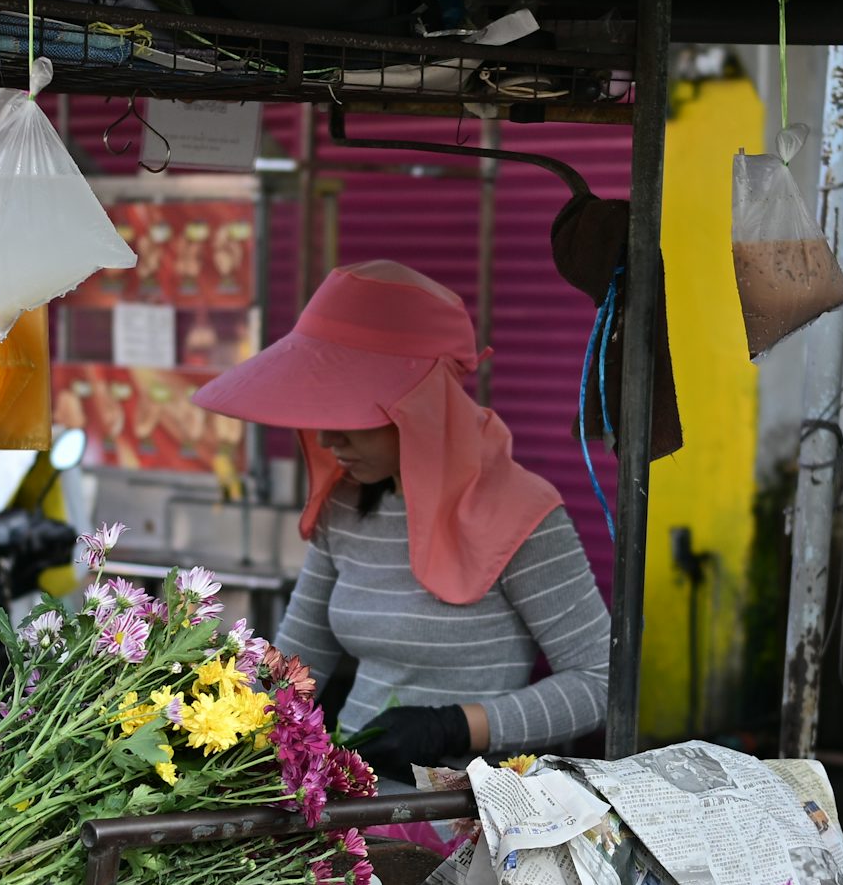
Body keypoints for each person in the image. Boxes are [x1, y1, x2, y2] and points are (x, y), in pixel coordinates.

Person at [190, 262, 610, 773]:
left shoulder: (523, 513)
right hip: (354, 794)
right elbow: (297, 662)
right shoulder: (345, 505)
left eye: (350, 414)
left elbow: (599, 681)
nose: (327, 439)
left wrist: (453, 725)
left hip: (472, 810)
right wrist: (217, 721)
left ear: (423, 406)